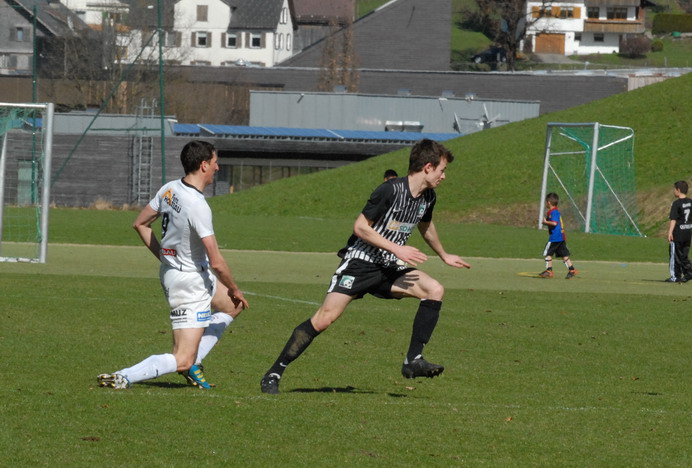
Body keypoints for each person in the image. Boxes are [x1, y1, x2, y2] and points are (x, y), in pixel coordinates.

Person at [261, 139, 471, 394]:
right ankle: (274, 372)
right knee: (324, 319)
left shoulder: (428, 197)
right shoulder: (389, 190)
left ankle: (413, 360)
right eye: (442, 170)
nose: (444, 176)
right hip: (360, 264)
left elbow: (425, 226)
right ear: (428, 167)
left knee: (434, 289)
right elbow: (360, 227)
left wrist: (444, 255)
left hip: (389, 267)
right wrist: (396, 248)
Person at [97, 140, 249, 389]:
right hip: (189, 283)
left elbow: (140, 224)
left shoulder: (170, 189)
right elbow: (217, 262)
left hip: (178, 273)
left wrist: (166, 258)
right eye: (215, 162)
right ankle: (124, 376)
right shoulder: (197, 205)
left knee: (233, 306)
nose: (217, 167)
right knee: (182, 358)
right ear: (204, 165)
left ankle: (194, 362)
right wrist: (235, 288)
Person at [666, 180, 692, 283]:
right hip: (687, 234)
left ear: (678, 190)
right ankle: (688, 273)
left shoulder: (676, 203)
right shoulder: (690, 202)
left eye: (674, 189)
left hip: (678, 234)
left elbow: (673, 219)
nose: (673, 191)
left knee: (675, 255)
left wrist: (670, 232)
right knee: (684, 255)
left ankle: (675, 276)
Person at [539, 192, 578, 279]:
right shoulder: (554, 212)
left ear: (549, 202)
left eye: (546, 202)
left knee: (548, 253)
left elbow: (554, 223)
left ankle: (549, 270)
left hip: (555, 238)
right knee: (564, 255)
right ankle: (572, 270)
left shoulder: (554, 212)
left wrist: (545, 222)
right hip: (561, 237)